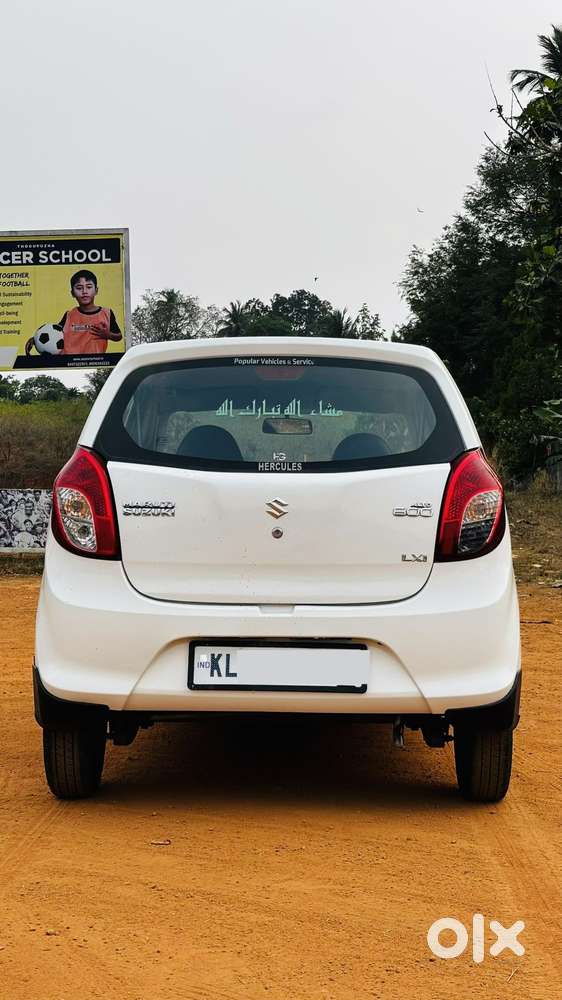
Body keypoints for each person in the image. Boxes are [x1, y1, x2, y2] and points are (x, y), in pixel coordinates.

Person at [25, 269, 122, 356]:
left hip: (93, 362)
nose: (84, 291)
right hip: (68, 362)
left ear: (96, 290)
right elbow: (55, 333)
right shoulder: (69, 315)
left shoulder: (106, 313)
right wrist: (35, 340)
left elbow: (119, 336)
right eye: (79, 288)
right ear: (72, 293)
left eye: (88, 287)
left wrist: (108, 335)